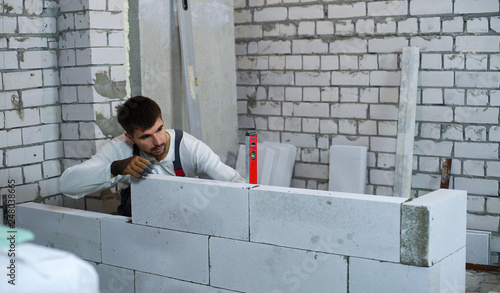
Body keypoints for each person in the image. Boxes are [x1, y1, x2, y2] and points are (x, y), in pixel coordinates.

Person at [59, 96, 244, 216]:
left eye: (159, 130)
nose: (157, 141)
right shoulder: (120, 147)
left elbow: (235, 183)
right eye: (146, 136)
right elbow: (67, 184)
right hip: (140, 229)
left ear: (163, 122)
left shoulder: (189, 147)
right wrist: (114, 168)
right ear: (130, 137)